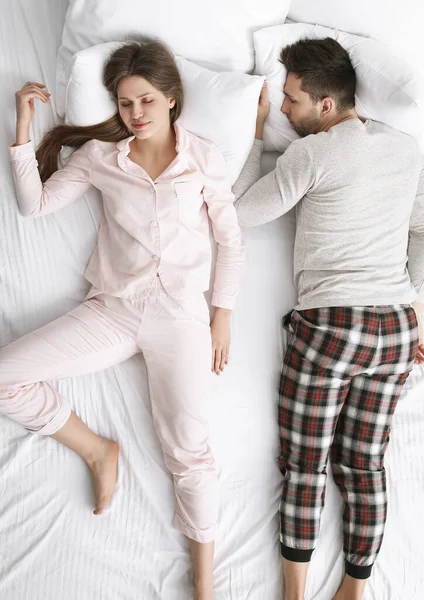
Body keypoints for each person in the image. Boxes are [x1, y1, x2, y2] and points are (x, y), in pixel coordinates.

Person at [3, 39, 245, 600]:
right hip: (113, 310)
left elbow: (231, 239)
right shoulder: (98, 158)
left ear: (172, 100)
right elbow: (33, 206)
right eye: (125, 103)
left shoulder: (204, 158)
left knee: (189, 450)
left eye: (147, 102)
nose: (136, 114)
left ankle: (204, 583)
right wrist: (22, 124)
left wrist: (222, 314)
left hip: (181, 317)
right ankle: (96, 449)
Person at [233, 37, 424, 600]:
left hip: (330, 328)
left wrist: (254, 138)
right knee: (365, 465)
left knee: (305, 464)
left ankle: (294, 594)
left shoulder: (311, 154)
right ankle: (354, 587)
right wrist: (410, 302)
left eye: (291, 99)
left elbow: (241, 211)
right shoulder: (406, 147)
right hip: (395, 331)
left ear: (326, 105)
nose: (285, 109)